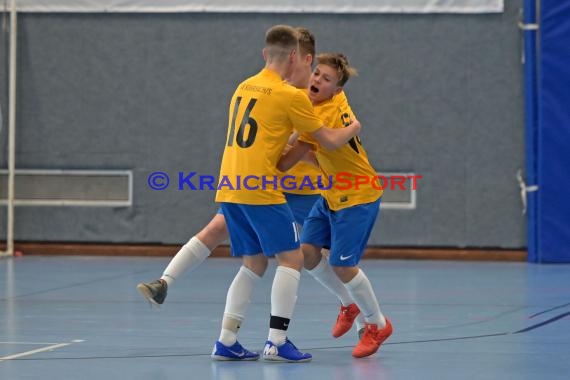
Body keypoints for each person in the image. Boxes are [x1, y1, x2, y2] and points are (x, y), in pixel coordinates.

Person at [137, 29, 366, 341]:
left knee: (310, 256)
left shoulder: (317, 98)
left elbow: (327, 149)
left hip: (302, 189)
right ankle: (169, 283)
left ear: (304, 58)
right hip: (265, 185)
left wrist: (309, 150)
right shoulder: (279, 91)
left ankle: (353, 309)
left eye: (319, 73)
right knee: (238, 240)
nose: (315, 78)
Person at [212, 25, 361, 362]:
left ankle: (226, 339)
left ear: (266, 54)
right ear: (295, 57)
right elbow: (329, 141)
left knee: (253, 262)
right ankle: (277, 340)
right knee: (292, 258)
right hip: (261, 188)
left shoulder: (243, 85)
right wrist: (354, 126)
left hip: (229, 184)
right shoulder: (290, 95)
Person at [277, 52, 392, 358]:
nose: (316, 80)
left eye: (326, 79)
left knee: (342, 264)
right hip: (331, 193)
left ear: (337, 91)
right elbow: (313, 152)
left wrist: (273, 148)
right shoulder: (326, 103)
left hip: (358, 196)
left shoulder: (323, 116)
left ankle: (378, 324)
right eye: (317, 73)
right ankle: (349, 303)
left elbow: (311, 149)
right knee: (309, 253)